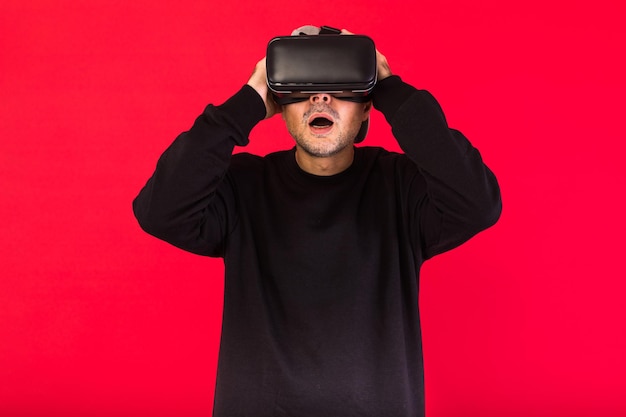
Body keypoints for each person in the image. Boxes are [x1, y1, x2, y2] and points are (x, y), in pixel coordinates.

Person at [133, 27, 501, 417]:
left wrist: (391, 88)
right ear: (280, 104)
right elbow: (159, 211)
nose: (321, 97)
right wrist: (246, 102)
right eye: (304, 84)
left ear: (366, 106)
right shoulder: (242, 187)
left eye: (341, 86)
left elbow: (478, 204)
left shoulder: (402, 187)